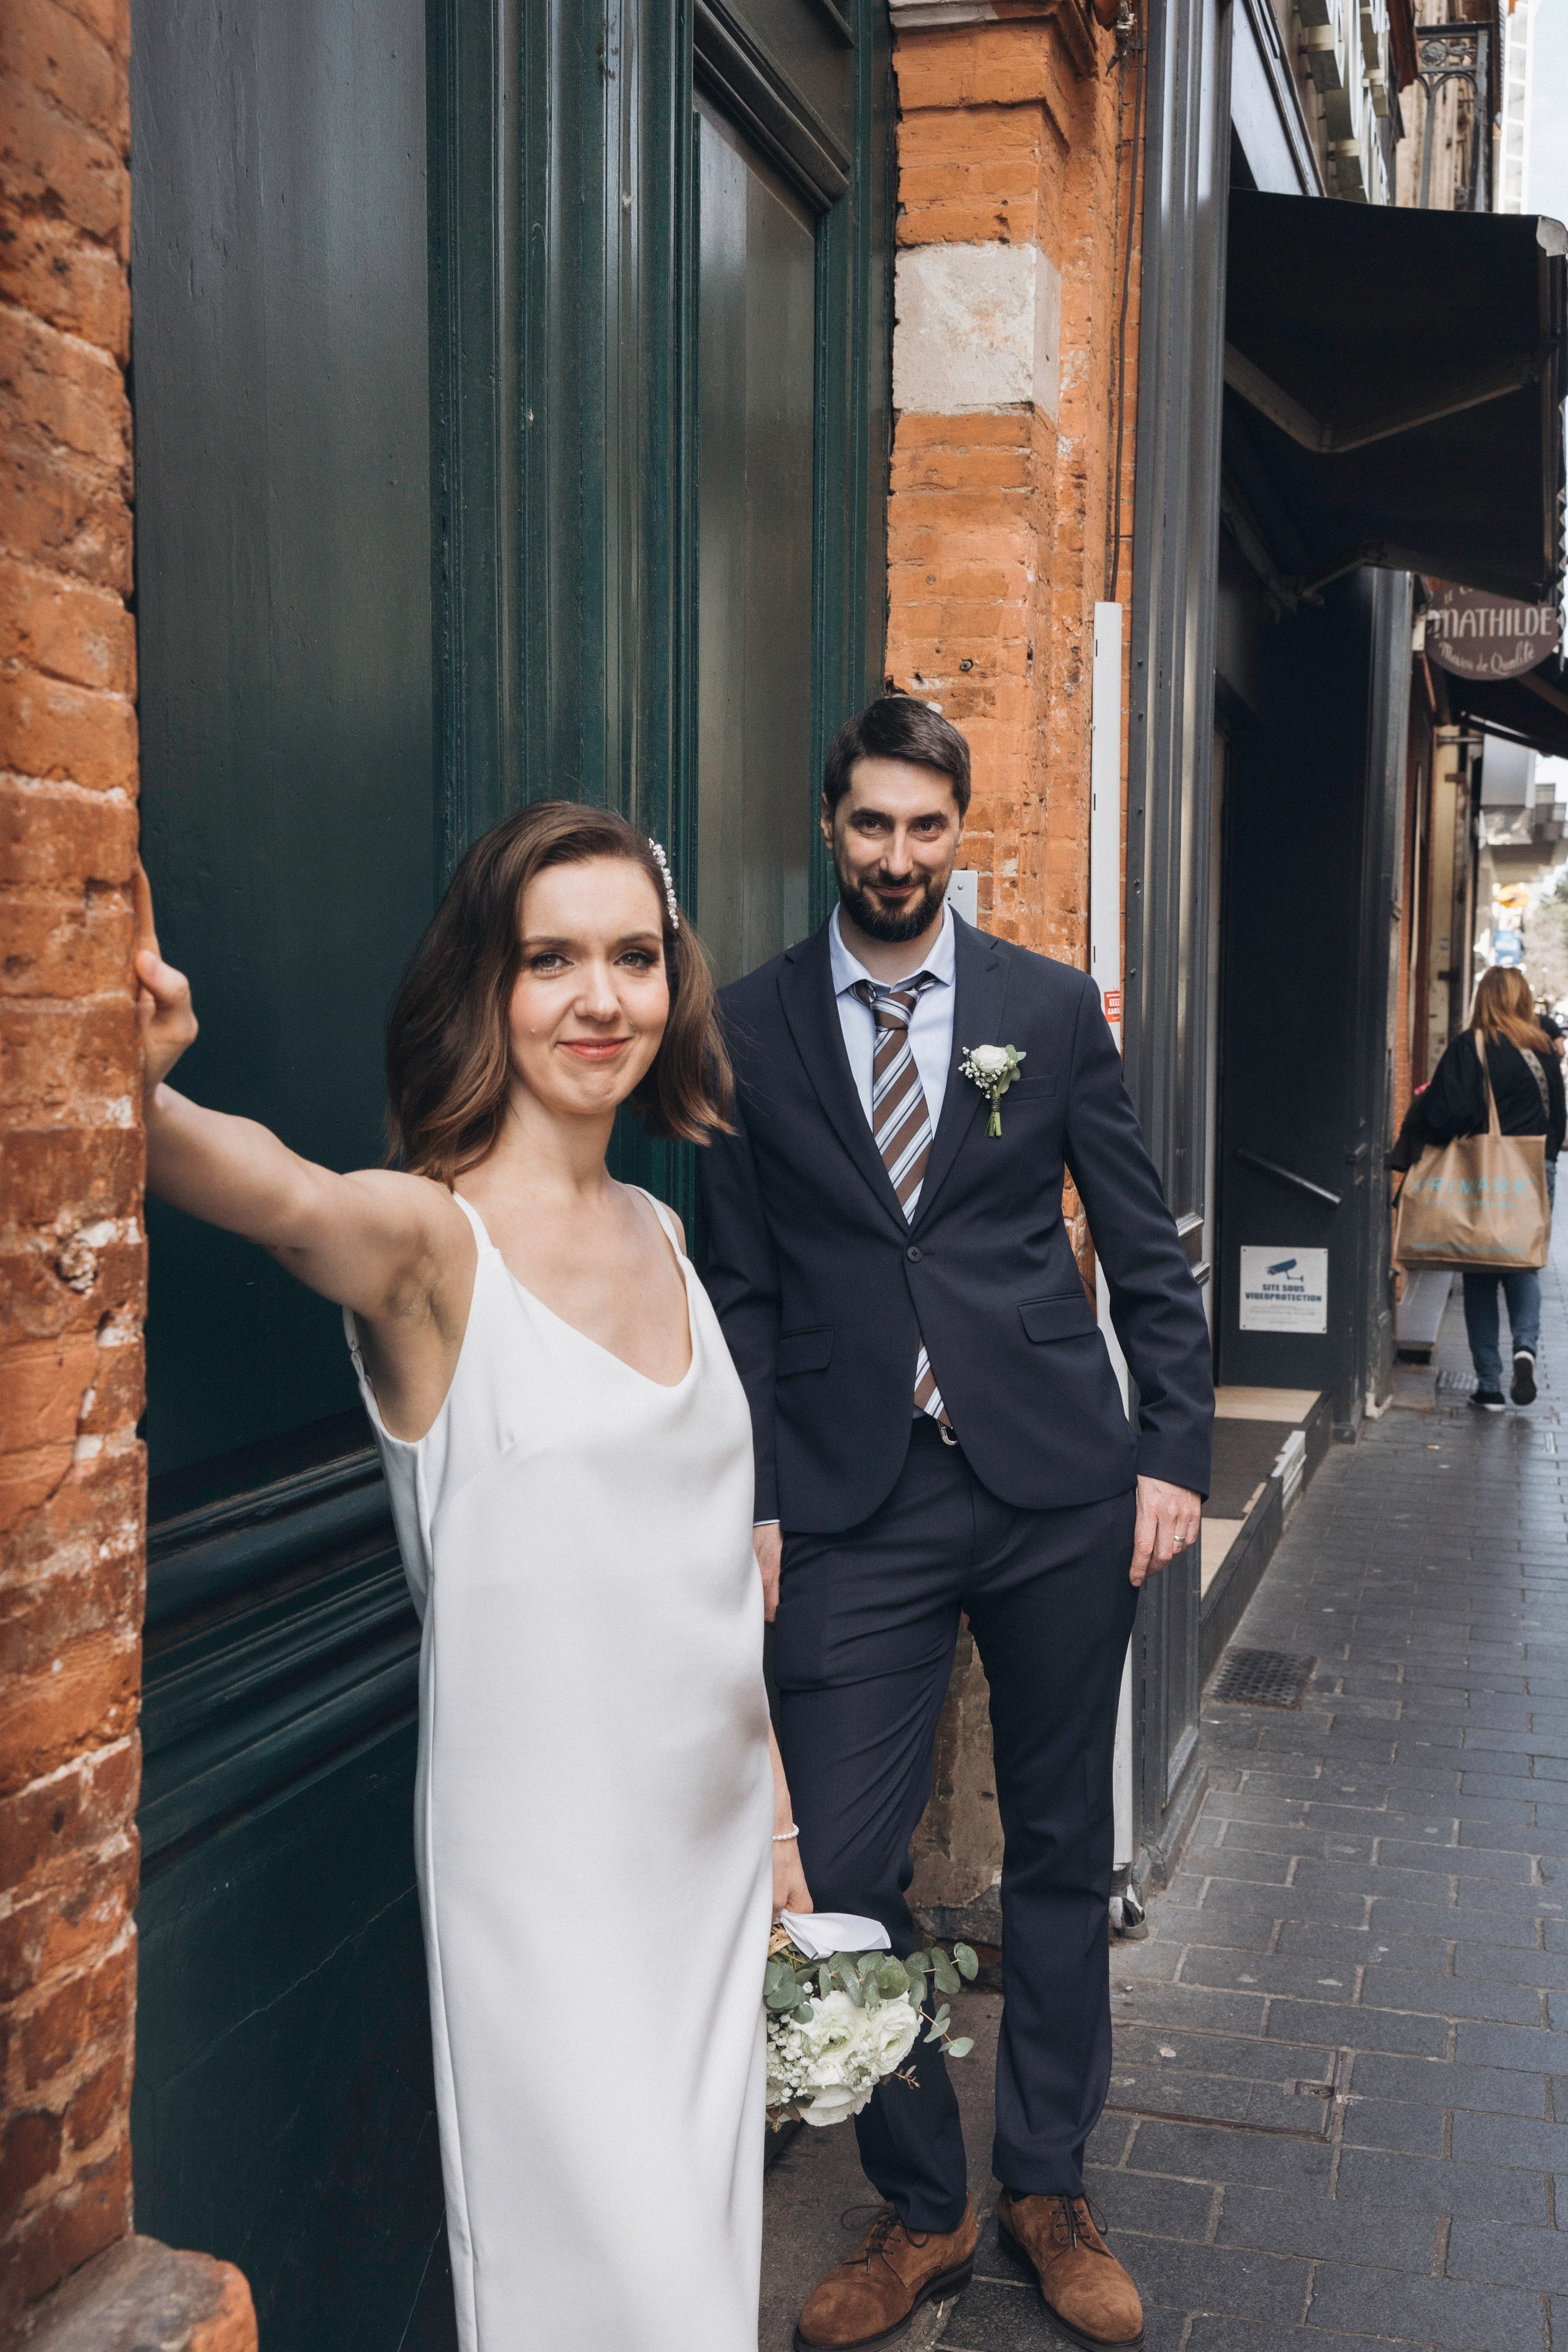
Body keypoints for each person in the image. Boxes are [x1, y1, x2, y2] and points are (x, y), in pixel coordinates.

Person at [133, 804, 811, 2352]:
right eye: (550, 958)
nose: (600, 998)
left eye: (633, 956)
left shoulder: (662, 1225)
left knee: (701, 2288)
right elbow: (285, 1191)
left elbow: (711, 1576)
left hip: (704, 1862)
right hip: (551, 1883)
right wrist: (149, 1096)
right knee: (601, 2292)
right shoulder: (432, 1245)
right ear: (485, 990)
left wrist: (774, 1823)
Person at [701, 696, 1214, 2352]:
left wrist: (1174, 1454)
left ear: (960, 833)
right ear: (828, 827)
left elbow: (1142, 1244)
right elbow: (742, 1290)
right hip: (858, 1500)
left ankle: (1050, 2187)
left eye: (928, 829)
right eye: (871, 826)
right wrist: (763, 1497)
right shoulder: (747, 1026)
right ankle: (923, 2203)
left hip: (1061, 1480)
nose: (899, 857)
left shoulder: (1046, 1011)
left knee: (1062, 1847)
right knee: (842, 1867)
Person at [1422, 964, 1564, 1412]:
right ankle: (1525, 1346)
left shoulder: (1472, 1046)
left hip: (1484, 1173)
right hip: (1537, 1169)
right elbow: (1558, 1118)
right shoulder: (1543, 1051)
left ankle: (1490, 1387)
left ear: (1482, 999)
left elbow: (1444, 1115)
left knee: (1480, 1271)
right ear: (1524, 1000)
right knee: (1524, 1263)